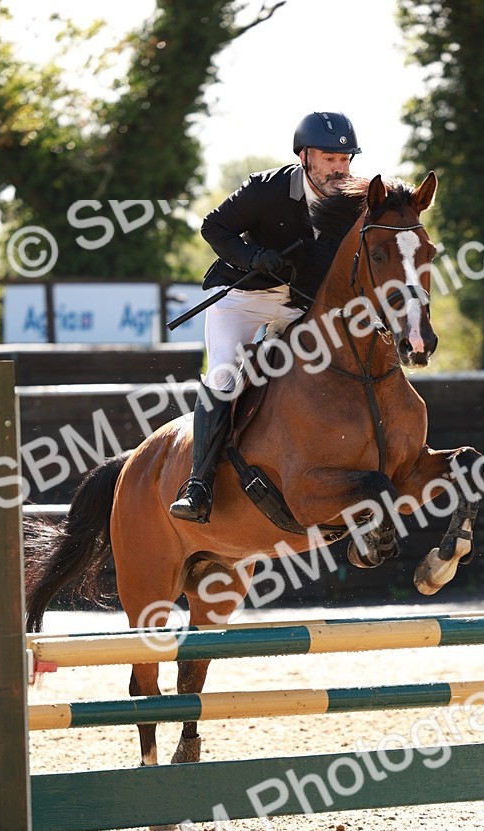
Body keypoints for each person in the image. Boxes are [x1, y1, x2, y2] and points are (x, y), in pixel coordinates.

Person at [169, 111, 361, 523]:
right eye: (330, 159)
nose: (340, 169)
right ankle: (199, 487)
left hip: (301, 303)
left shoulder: (353, 203)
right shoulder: (266, 189)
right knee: (223, 375)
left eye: (346, 160)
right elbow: (213, 228)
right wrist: (254, 256)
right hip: (244, 297)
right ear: (305, 156)